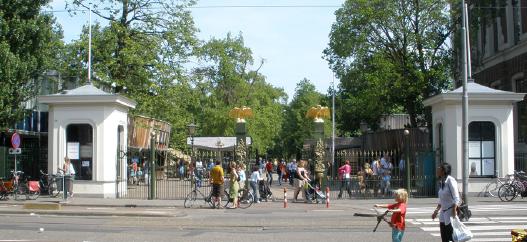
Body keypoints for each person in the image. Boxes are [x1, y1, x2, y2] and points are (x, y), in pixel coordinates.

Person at [431, 162, 460, 242]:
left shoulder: (450, 180)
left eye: (439, 167)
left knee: (451, 236)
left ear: (444, 171)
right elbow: (441, 199)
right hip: (443, 213)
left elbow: (456, 197)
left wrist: (454, 210)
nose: (437, 169)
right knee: (444, 237)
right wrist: (436, 211)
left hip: (450, 212)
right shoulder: (442, 181)